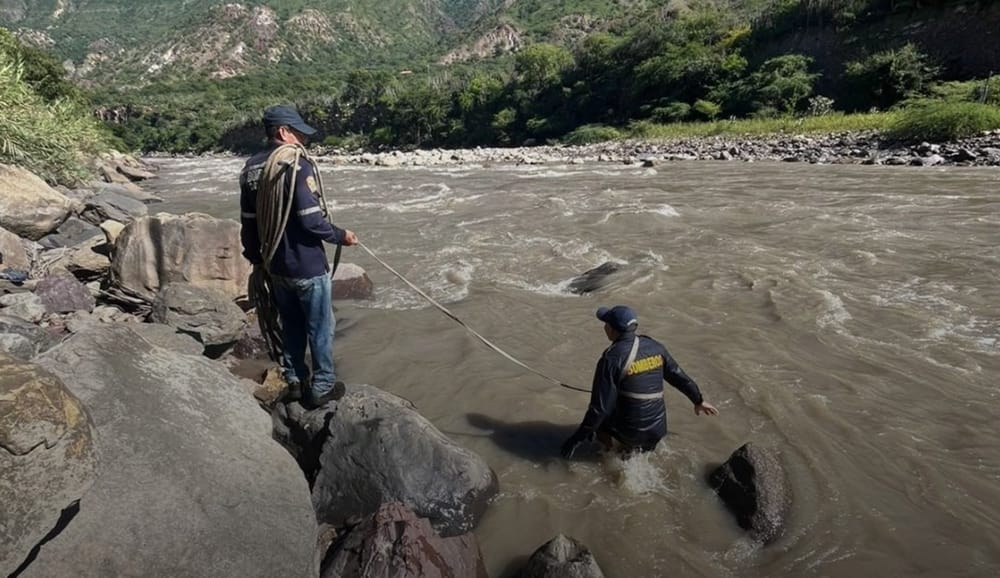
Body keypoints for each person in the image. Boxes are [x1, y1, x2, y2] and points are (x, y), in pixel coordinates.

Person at [239, 105, 358, 409]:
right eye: (298, 133)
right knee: (320, 326)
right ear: (283, 132)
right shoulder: (295, 165)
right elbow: (311, 220)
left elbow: (248, 222)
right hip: (306, 265)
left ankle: (294, 381)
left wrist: (256, 260)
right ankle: (322, 385)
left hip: (276, 267)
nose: (303, 139)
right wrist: (341, 235)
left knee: (290, 324)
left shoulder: (250, 168)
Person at [561, 305, 719, 458]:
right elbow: (679, 377)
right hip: (658, 429)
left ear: (612, 329)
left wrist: (577, 438)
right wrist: (698, 400)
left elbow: (599, 409)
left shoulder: (611, 358)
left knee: (600, 424)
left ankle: (607, 455)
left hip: (631, 431)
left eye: (606, 323)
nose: (604, 327)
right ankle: (628, 454)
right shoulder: (655, 347)